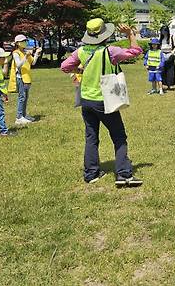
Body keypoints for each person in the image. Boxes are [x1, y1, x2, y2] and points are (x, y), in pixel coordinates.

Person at [60, 18, 143, 187]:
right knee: (119, 136)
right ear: (105, 35)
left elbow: (65, 66)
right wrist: (130, 35)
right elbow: (135, 51)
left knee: (91, 137)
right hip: (105, 100)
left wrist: (79, 69)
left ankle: (91, 174)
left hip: (86, 101)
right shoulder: (110, 51)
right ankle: (124, 174)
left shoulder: (81, 51)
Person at [8, 34, 42, 126]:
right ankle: (19, 117)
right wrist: (26, 56)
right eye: (23, 41)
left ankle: (24, 115)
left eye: (26, 41)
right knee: (21, 97)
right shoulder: (16, 53)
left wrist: (36, 54)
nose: (25, 42)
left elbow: (33, 62)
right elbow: (18, 64)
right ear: (18, 43)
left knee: (25, 98)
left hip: (27, 78)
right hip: (20, 78)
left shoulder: (25, 52)